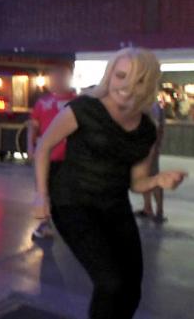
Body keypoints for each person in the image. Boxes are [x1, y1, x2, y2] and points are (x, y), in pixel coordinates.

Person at [33, 48, 187, 319]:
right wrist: (42, 195)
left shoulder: (146, 129)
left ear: (149, 85)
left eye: (138, 80)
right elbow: (44, 147)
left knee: (131, 289)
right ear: (110, 75)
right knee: (110, 282)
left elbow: (137, 183)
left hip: (114, 206)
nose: (126, 86)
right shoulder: (84, 108)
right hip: (73, 204)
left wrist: (158, 180)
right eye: (121, 76)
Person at [28, 63, 76, 239]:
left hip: (71, 158)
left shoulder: (78, 102)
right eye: (54, 77)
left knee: (68, 191)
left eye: (62, 76)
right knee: (44, 189)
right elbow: (33, 126)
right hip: (48, 157)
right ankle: (45, 223)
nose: (58, 80)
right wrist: (30, 147)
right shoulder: (43, 103)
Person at [136, 100, 167, 222]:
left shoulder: (151, 105)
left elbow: (156, 128)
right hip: (144, 146)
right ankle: (148, 207)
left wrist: (154, 148)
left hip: (149, 147)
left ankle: (159, 211)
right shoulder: (147, 103)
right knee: (144, 176)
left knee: (153, 176)